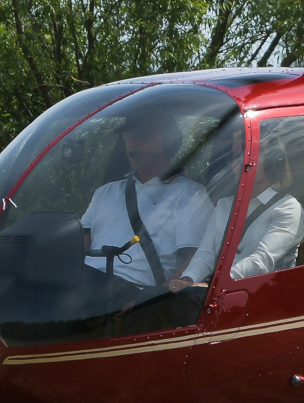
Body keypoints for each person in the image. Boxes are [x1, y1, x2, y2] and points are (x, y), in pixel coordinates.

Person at [79, 114, 214, 307]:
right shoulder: (105, 192)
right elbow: (79, 246)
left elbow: (192, 262)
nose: (133, 142)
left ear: (168, 142)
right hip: (86, 286)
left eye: (144, 135)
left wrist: (152, 302)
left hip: (134, 292)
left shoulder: (191, 194)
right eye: (128, 136)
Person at [176, 132, 304, 286]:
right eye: (235, 156)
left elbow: (262, 261)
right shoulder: (224, 206)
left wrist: (213, 284)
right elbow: (206, 254)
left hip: (259, 297)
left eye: (246, 153)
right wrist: (187, 280)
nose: (237, 162)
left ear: (273, 162)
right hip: (218, 293)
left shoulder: (288, 208)